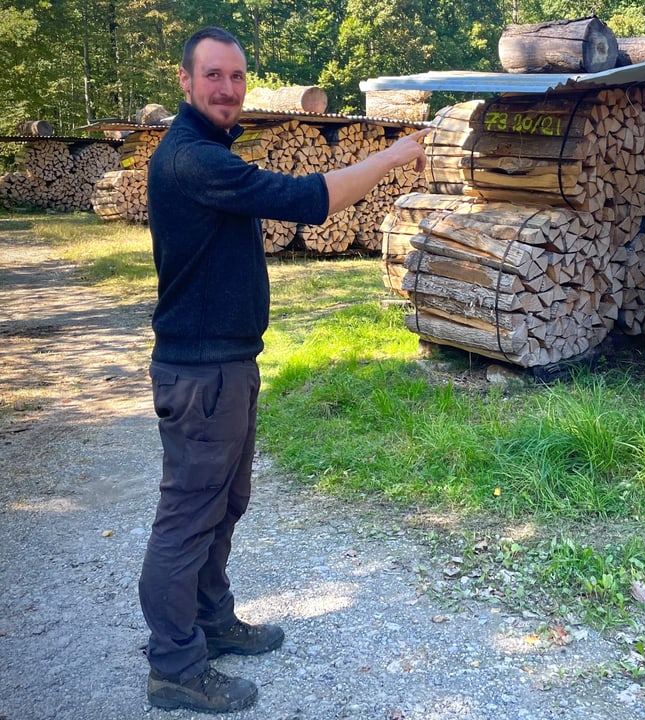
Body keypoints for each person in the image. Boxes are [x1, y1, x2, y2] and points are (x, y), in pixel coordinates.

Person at [138, 26, 428, 714]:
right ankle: (175, 668)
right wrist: (393, 156)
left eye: (237, 77)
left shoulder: (208, 151)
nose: (228, 89)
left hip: (226, 367)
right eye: (213, 76)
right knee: (186, 519)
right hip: (202, 373)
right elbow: (309, 200)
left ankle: (212, 622)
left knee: (223, 505)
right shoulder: (192, 160)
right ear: (185, 82)